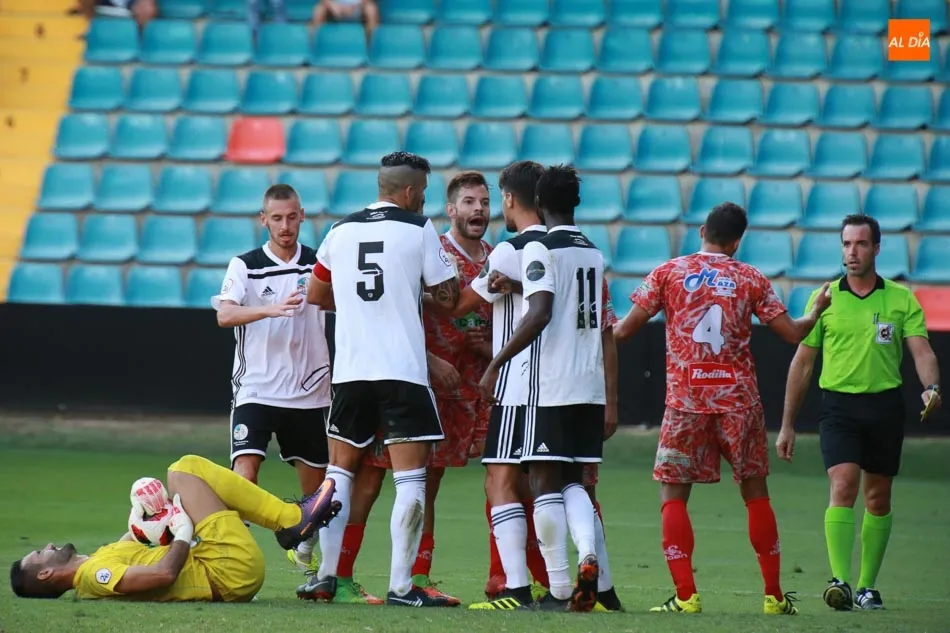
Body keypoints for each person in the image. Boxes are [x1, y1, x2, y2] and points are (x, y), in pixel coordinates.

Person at [612, 201, 833, 615]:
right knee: (755, 493)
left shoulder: (668, 272)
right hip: (739, 402)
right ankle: (773, 596)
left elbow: (623, 331)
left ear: (701, 231)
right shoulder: (750, 277)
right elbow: (790, 333)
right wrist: (816, 311)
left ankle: (685, 596)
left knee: (673, 495)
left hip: (685, 403)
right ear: (736, 242)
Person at [298, 151, 462, 607]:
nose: (423, 200)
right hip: (401, 371)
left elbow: (316, 293)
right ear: (410, 192)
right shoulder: (417, 228)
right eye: (423, 193)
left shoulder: (340, 229)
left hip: (350, 371)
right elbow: (448, 298)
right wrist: (412, 290)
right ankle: (402, 587)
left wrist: (357, 302)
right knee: (411, 480)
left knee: (340, 474)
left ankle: (325, 577)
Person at [330, 171, 495, 606]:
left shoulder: (496, 258)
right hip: (411, 376)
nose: (478, 209)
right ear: (449, 208)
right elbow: (435, 302)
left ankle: (419, 573)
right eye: (469, 202)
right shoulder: (426, 241)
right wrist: (428, 357)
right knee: (373, 478)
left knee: (443, 479)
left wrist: (491, 345)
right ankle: (351, 575)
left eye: (484, 201)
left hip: (466, 387)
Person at [778, 213, 942, 612]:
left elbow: (922, 352)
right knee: (843, 485)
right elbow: (801, 364)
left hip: (885, 406)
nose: (852, 252)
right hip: (838, 406)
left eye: (861, 244)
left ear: (876, 249)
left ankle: (868, 586)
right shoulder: (825, 298)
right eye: (847, 244)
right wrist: (786, 424)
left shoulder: (901, 299)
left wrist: (932, 387)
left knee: (878, 498)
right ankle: (840, 581)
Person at [477, 165, 611, 613]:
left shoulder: (540, 245)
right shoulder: (591, 251)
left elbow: (540, 312)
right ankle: (587, 556)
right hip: (588, 385)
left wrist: (497, 362)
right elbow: (574, 301)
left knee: (542, 481)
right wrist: (517, 284)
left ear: (538, 199)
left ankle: (556, 589)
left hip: (550, 385)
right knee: (574, 480)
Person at [10, 455, 339, 602]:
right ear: (45, 575)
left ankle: (289, 522)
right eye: (41, 553)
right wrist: (182, 529)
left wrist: (144, 514)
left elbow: (140, 539)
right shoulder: (95, 576)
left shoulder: (96, 559)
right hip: (226, 571)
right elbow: (163, 575)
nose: (49, 545)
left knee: (184, 480)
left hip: (223, 569)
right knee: (184, 469)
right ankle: (290, 520)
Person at [212, 183, 332, 575]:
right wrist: (270, 309)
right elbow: (225, 315)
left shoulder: (319, 264)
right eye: (276, 218)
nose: (285, 226)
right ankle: (230, 563)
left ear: (302, 216)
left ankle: (311, 564)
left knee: (317, 495)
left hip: (310, 392)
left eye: (291, 217)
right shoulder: (245, 265)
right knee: (244, 474)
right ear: (263, 220)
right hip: (257, 389)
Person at [312, 0, 379, 41]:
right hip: (335, 8)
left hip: (360, 7)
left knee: (371, 10)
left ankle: (371, 46)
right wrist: (332, 6)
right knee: (319, 10)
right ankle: (317, 45)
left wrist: (356, 6)